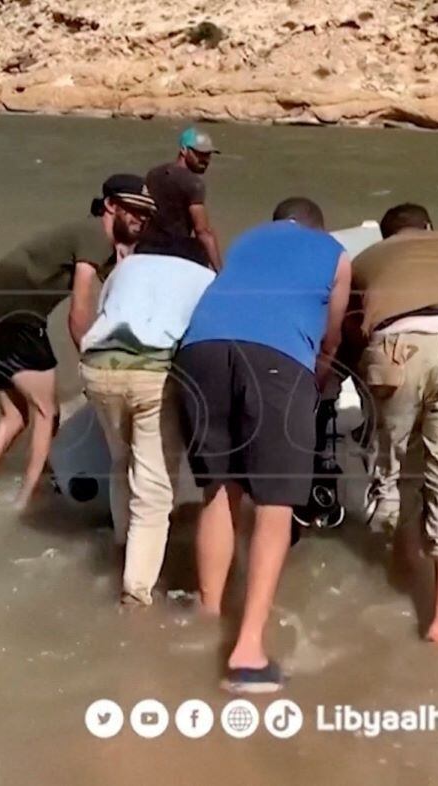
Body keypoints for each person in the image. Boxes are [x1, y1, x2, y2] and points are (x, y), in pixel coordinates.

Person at [172, 197, 350, 694]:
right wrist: (321, 370)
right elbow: (332, 333)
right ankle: (248, 651)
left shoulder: (249, 238)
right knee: (275, 502)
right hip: (275, 360)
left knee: (220, 488)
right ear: (319, 225)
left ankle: (207, 614)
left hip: (199, 352)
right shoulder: (334, 252)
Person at [0, 174, 155, 512]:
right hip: (13, 317)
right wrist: (93, 363)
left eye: (147, 213)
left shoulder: (95, 244)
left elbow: (122, 296)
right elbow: (78, 312)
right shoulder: (95, 234)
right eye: (133, 209)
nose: (141, 219)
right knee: (48, 412)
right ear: (110, 206)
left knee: (16, 418)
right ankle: (28, 502)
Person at [347, 203, 438, 647]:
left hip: (394, 347)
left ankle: (399, 558)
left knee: (392, 463)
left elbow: (352, 325)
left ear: (386, 237)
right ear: (430, 228)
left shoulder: (368, 260)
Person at [79, 225, 216, 606]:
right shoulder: (205, 277)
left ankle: (121, 548)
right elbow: (207, 340)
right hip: (151, 371)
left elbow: (102, 314)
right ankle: (136, 594)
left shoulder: (126, 267)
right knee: (154, 490)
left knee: (122, 461)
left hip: (96, 364)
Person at [140, 127, 223, 271]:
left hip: (146, 247)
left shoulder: (153, 173)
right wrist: (220, 272)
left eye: (208, 155)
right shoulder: (194, 183)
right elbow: (203, 231)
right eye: (200, 154)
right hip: (176, 252)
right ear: (184, 150)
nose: (205, 160)